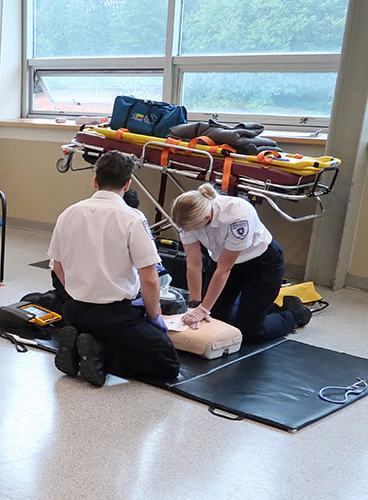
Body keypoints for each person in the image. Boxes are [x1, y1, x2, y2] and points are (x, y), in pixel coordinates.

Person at [49, 150, 180, 387]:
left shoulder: (68, 213)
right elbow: (149, 279)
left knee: (107, 330)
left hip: (74, 310)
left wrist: (81, 292)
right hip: (115, 315)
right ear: (127, 184)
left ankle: (83, 345)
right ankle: (102, 352)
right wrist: (155, 316)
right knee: (167, 362)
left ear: (95, 180)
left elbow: (57, 267)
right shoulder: (132, 218)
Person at [171, 183, 310, 341]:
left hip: (261, 264)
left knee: (249, 332)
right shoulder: (185, 219)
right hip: (222, 261)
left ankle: (295, 313)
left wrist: (204, 309)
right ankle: (264, 307)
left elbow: (224, 270)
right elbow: (194, 263)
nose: (188, 232)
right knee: (214, 321)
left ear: (207, 217)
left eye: (193, 228)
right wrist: (195, 304)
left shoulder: (237, 215)